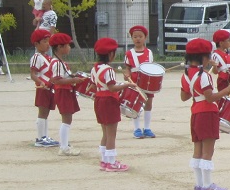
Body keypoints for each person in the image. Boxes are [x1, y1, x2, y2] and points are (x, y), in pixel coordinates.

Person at [180, 38, 230, 190]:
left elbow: (184, 97)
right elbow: (210, 98)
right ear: (204, 58)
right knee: (208, 151)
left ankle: (199, 185)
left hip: (195, 112)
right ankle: (207, 186)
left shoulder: (185, 75)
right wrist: (228, 89)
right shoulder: (204, 75)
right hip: (207, 113)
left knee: (198, 149)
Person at [92, 37, 136, 172]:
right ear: (111, 54)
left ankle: (105, 160)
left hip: (99, 99)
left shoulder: (95, 68)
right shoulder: (108, 70)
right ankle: (111, 162)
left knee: (105, 133)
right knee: (112, 134)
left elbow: (95, 85)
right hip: (109, 101)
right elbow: (112, 88)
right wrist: (127, 84)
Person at [49, 33, 82, 157]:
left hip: (65, 91)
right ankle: (64, 147)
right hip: (62, 91)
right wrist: (73, 80)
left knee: (68, 119)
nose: (69, 47)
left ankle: (65, 144)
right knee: (66, 119)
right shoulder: (57, 63)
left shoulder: (60, 61)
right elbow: (57, 80)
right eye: (68, 45)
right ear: (60, 47)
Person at [123, 25, 157, 139]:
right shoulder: (129, 53)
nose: (138, 39)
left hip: (147, 81)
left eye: (140, 36)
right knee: (135, 104)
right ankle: (136, 129)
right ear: (132, 38)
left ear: (145, 38)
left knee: (149, 104)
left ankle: (147, 128)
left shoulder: (149, 52)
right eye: (135, 36)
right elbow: (127, 67)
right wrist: (127, 75)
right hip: (134, 81)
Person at [29, 29, 58, 145]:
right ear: (36, 44)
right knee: (42, 112)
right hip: (43, 89)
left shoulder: (48, 57)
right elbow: (33, 74)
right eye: (45, 41)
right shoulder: (37, 57)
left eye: (48, 41)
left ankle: (45, 136)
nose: (48, 44)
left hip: (50, 88)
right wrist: (40, 83)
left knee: (46, 113)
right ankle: (40, 138)